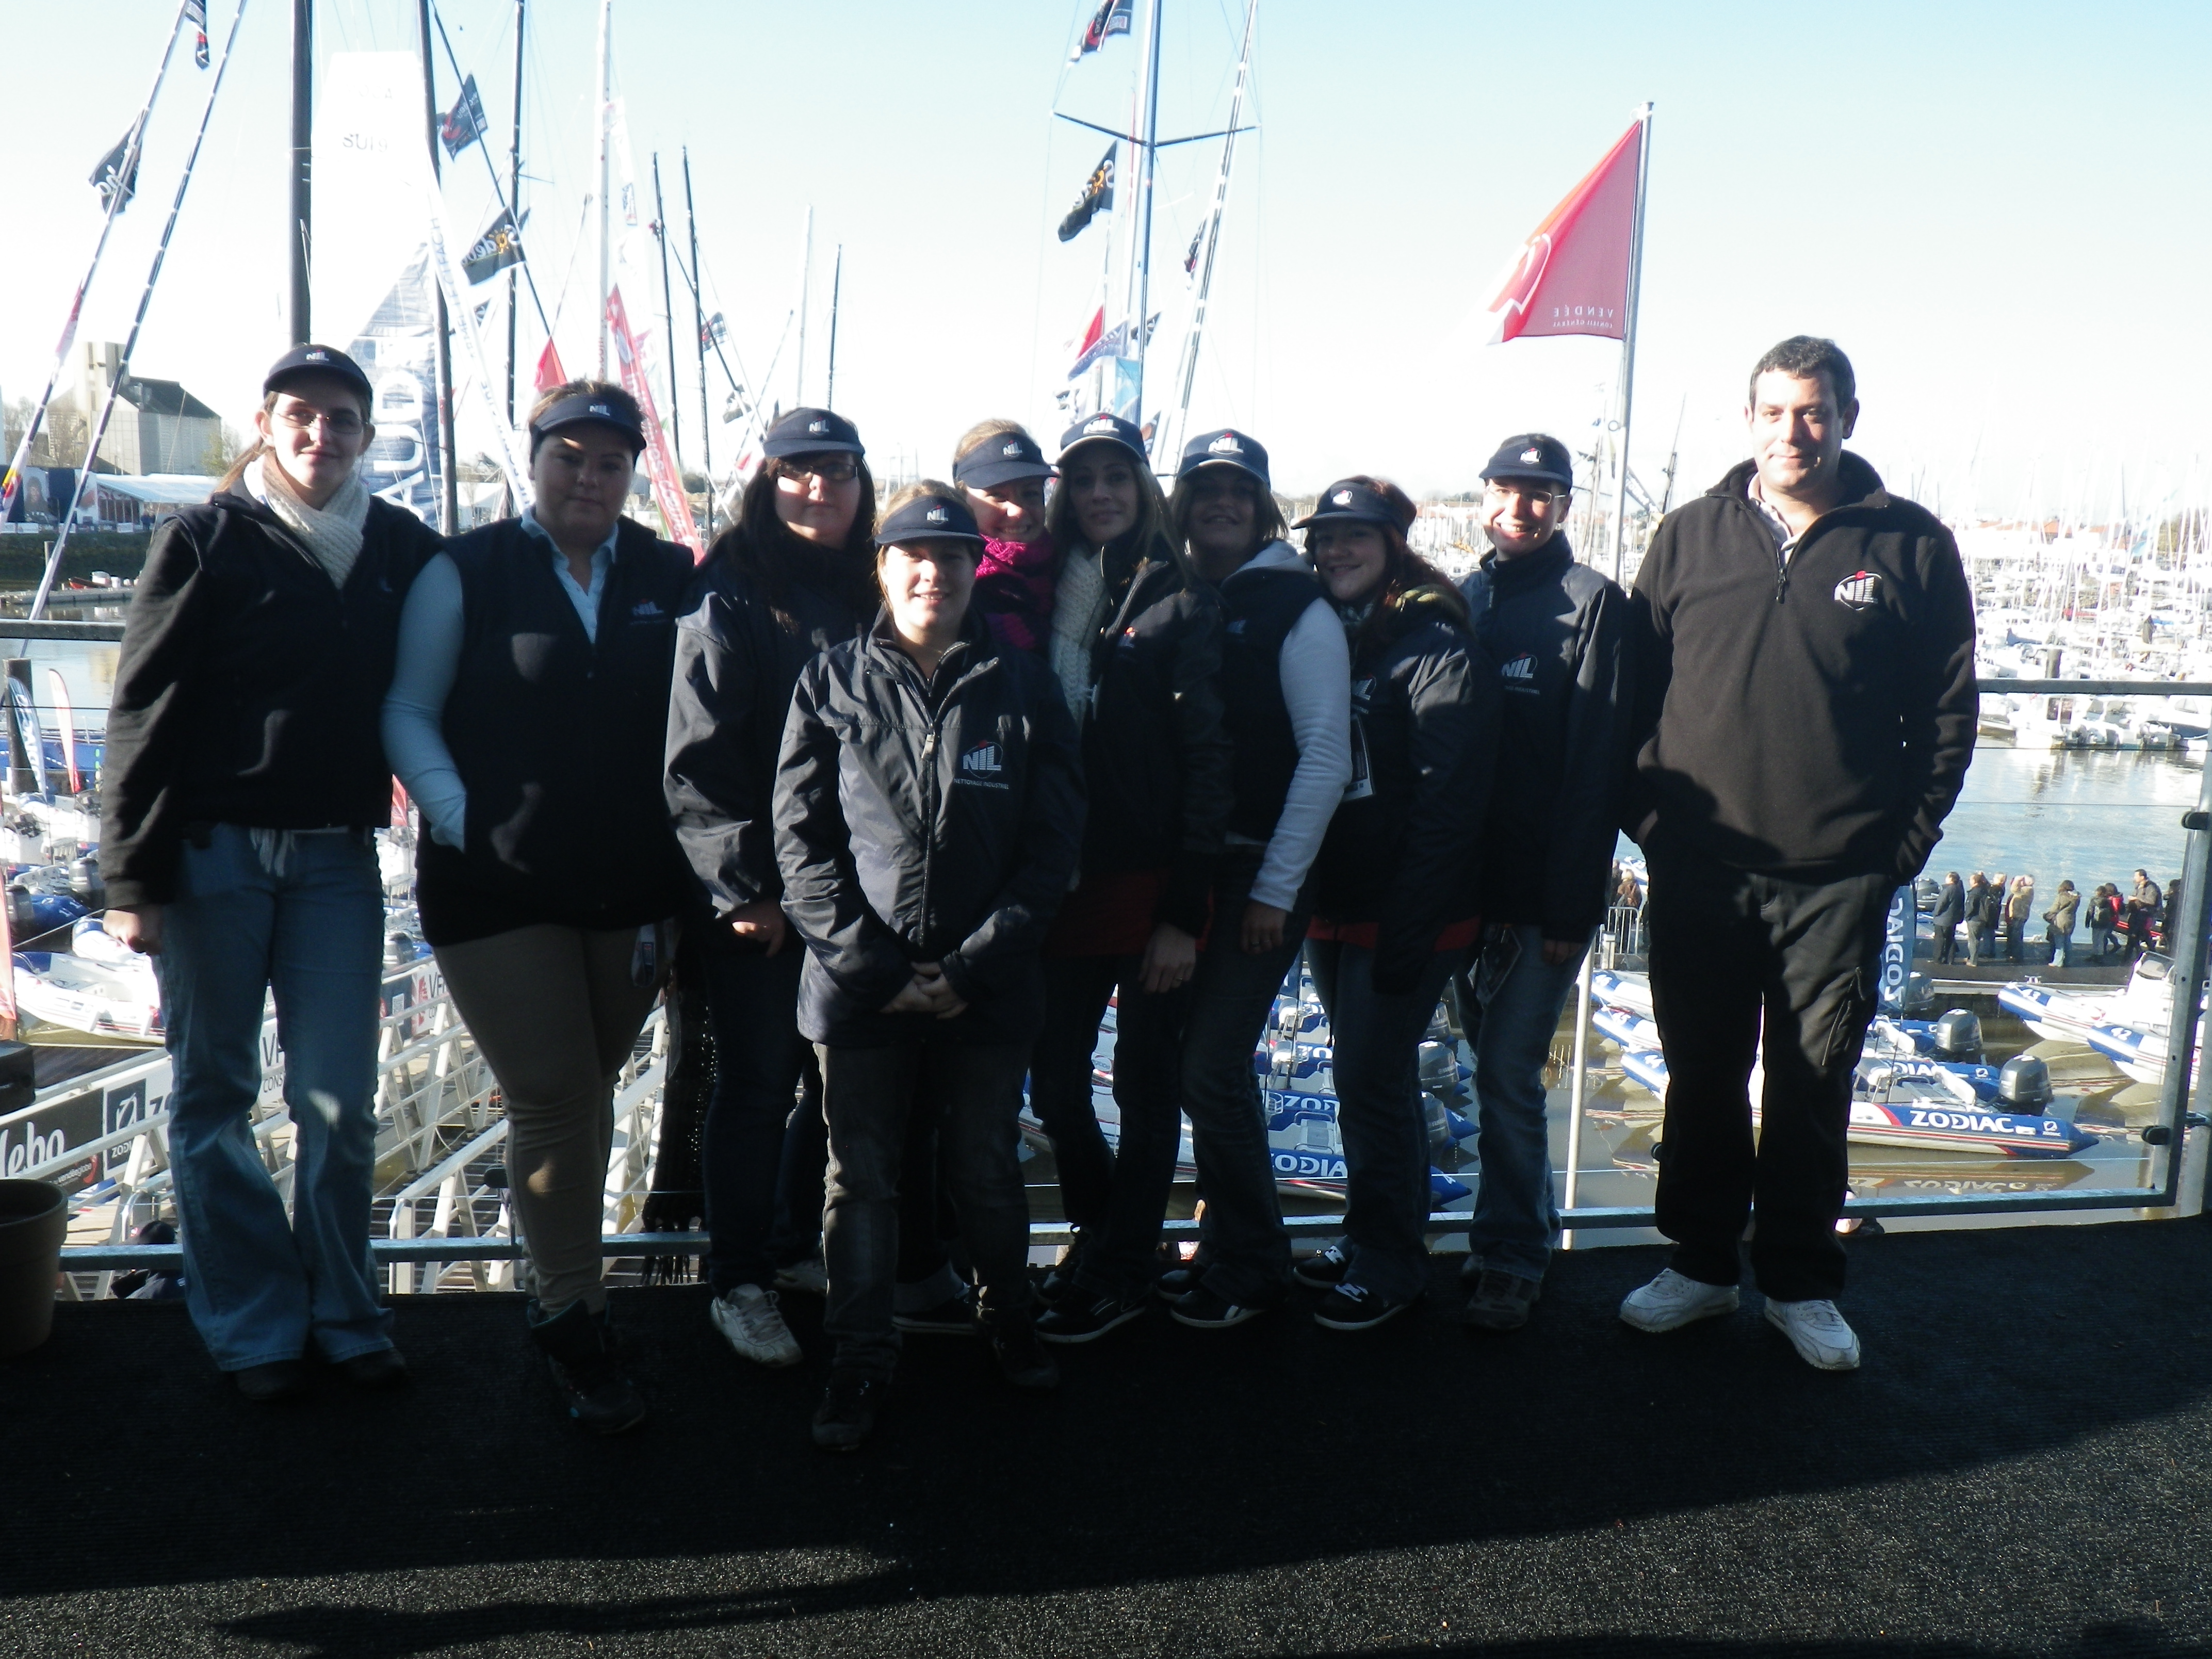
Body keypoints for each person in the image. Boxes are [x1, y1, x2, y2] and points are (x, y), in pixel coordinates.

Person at [1621, 336, 1976, 1371]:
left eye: (1813, 412)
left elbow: (1945, 715)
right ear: (1748, 420)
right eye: (1774, 412)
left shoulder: (1910, 545)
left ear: (1848, 418)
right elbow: (1631, 699)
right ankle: (1694, 1266)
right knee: (1699, 1076)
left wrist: (1898, 849)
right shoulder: (1687, 537)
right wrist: (1650, 829)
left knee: (1813, 1082)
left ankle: (1798, 1282)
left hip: (1838, 878)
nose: (1793, 431)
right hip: (1700, 871)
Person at [100, 344, 440, 1402]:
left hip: (337, 858)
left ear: (365, 436)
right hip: (215, 856)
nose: (320, 435)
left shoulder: (399, 548)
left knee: (340, 1100)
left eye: (342, 419)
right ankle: (254, 1324)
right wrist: (127, 880)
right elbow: (143, 711)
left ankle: (345, 1313)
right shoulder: (202, 539)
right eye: (301, 415)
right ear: (265, 422)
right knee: (215, 1094)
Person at [383, 381, 694, 1434]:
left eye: (611, 462)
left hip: (632, 892)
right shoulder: (464, 569)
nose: (590, 477)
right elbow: (409, 710)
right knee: (557, 1096)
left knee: (592, 1092)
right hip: (496, 892)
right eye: (571, 457)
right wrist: (461, 818)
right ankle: (571, 1318)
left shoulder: (662, 573)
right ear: (536, 459)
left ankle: (563, 1278)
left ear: (631, 473)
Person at [776, 482, 1085, 1451]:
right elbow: (800, 844)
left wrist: (970, 966)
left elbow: (1052, 850)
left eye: (951, 556)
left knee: (988, 1172)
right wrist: (875, 965)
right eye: (912, 553)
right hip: (859, 990)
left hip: (986, 992)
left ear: (971, 571)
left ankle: (1011, 1320)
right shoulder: (828, 681)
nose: (932, 571)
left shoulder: (1025, 686)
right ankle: (860, 1355)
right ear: (881, 567)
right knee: (860, 1180)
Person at [663, 407, 879, 1370]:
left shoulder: (877, 585)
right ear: (768, 482)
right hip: (765, 903)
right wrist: (744, 888)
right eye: (797, 471)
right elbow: (696, 758)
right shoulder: (731, 593)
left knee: (840, 1096)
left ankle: (799, 1252)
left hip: (858, 896)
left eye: (836, 471)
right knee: (756, 1088)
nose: (818, 488)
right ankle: (737, 1279)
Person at [1019, 414, 1232, 1344]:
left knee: (1146, 1094)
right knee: (1057, 1085)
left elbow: (1208, 764)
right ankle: (1114, 1235)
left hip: (1151, 890)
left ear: (1143, 488)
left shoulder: (1181, 605)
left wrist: (1184, 914)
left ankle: (1115, 1268)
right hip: (1064, 883)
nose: (1100, 492)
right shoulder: (1044, 595)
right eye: (1083, 478)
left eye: (1117, 476)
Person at [1153, 428, 1352, 1329]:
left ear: (1263, 503)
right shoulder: (1186, 597)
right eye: (1205, 490)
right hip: (1195, 870)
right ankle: (1231, 1248)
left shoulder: (1296, 609)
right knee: (1193, 1069)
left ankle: (1255, 1263)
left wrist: (1276, 886)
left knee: (1211, 1067)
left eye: (1238, 489)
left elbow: (1324, 757)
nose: (1220, 504)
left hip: (1255, 877)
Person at [1296, 476, 1495, 1330]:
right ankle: (1372, 1230)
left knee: (1371, 1078)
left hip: (1408, 909)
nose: (1336, 550)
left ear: (1392, 548)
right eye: (1325, 537)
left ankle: (1392, 1262)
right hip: (1342, 904)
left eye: (1356, 537)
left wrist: (1412, 927)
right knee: (1359, 1078)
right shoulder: (1344, 636)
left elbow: (1449, 805)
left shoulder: (1433, 645)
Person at [1451, 435, 1634, 1332]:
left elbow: (1595, 765)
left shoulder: (1593, 602)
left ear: (1563, 505)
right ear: (1483, 496)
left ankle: (1515, 1254)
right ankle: (1502, 1233)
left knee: (1504, 1077)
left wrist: (1570, 905)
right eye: (1507, 490)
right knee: (1479, 1071)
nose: (1520, 508)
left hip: (1539, 901)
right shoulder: (1470, 594)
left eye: (1540, 494)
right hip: (1461, 893)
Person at [953, 420, 1060, 657]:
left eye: (1031, 494)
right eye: (998, 496)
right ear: (963, 502)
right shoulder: (948, 590)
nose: (1018, 511)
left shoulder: (1071, 579)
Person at [2043, 880, 2079, 968]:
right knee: (2067, 941)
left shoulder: (2061, 897)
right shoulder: (2076, 898)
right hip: (2071, 920)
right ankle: (2068, 960)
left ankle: (2057, 962)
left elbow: (2054, 909)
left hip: (2061, 920)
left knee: (2059, 942)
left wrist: (2046, 915)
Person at [1930, 871, 1964, 966]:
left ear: (1951, 879)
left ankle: (1938, 959)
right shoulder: (1960, 890)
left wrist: (1936, 914)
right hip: (1952, 919)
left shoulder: (1947, 890)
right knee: (1950, 939)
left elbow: (1941, 904)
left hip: (1942, 920)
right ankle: (1950, 959)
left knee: (1939, 940)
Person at [2004, 874, 2034, 963]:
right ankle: (2013, 953)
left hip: (2019, 916)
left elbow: (2014, 890)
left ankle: (2017, 956)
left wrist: (2017, 880)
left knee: (2016, 937)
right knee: (2015, 935)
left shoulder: (2026, 890)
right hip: (2019, 915)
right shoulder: (2027, 890)